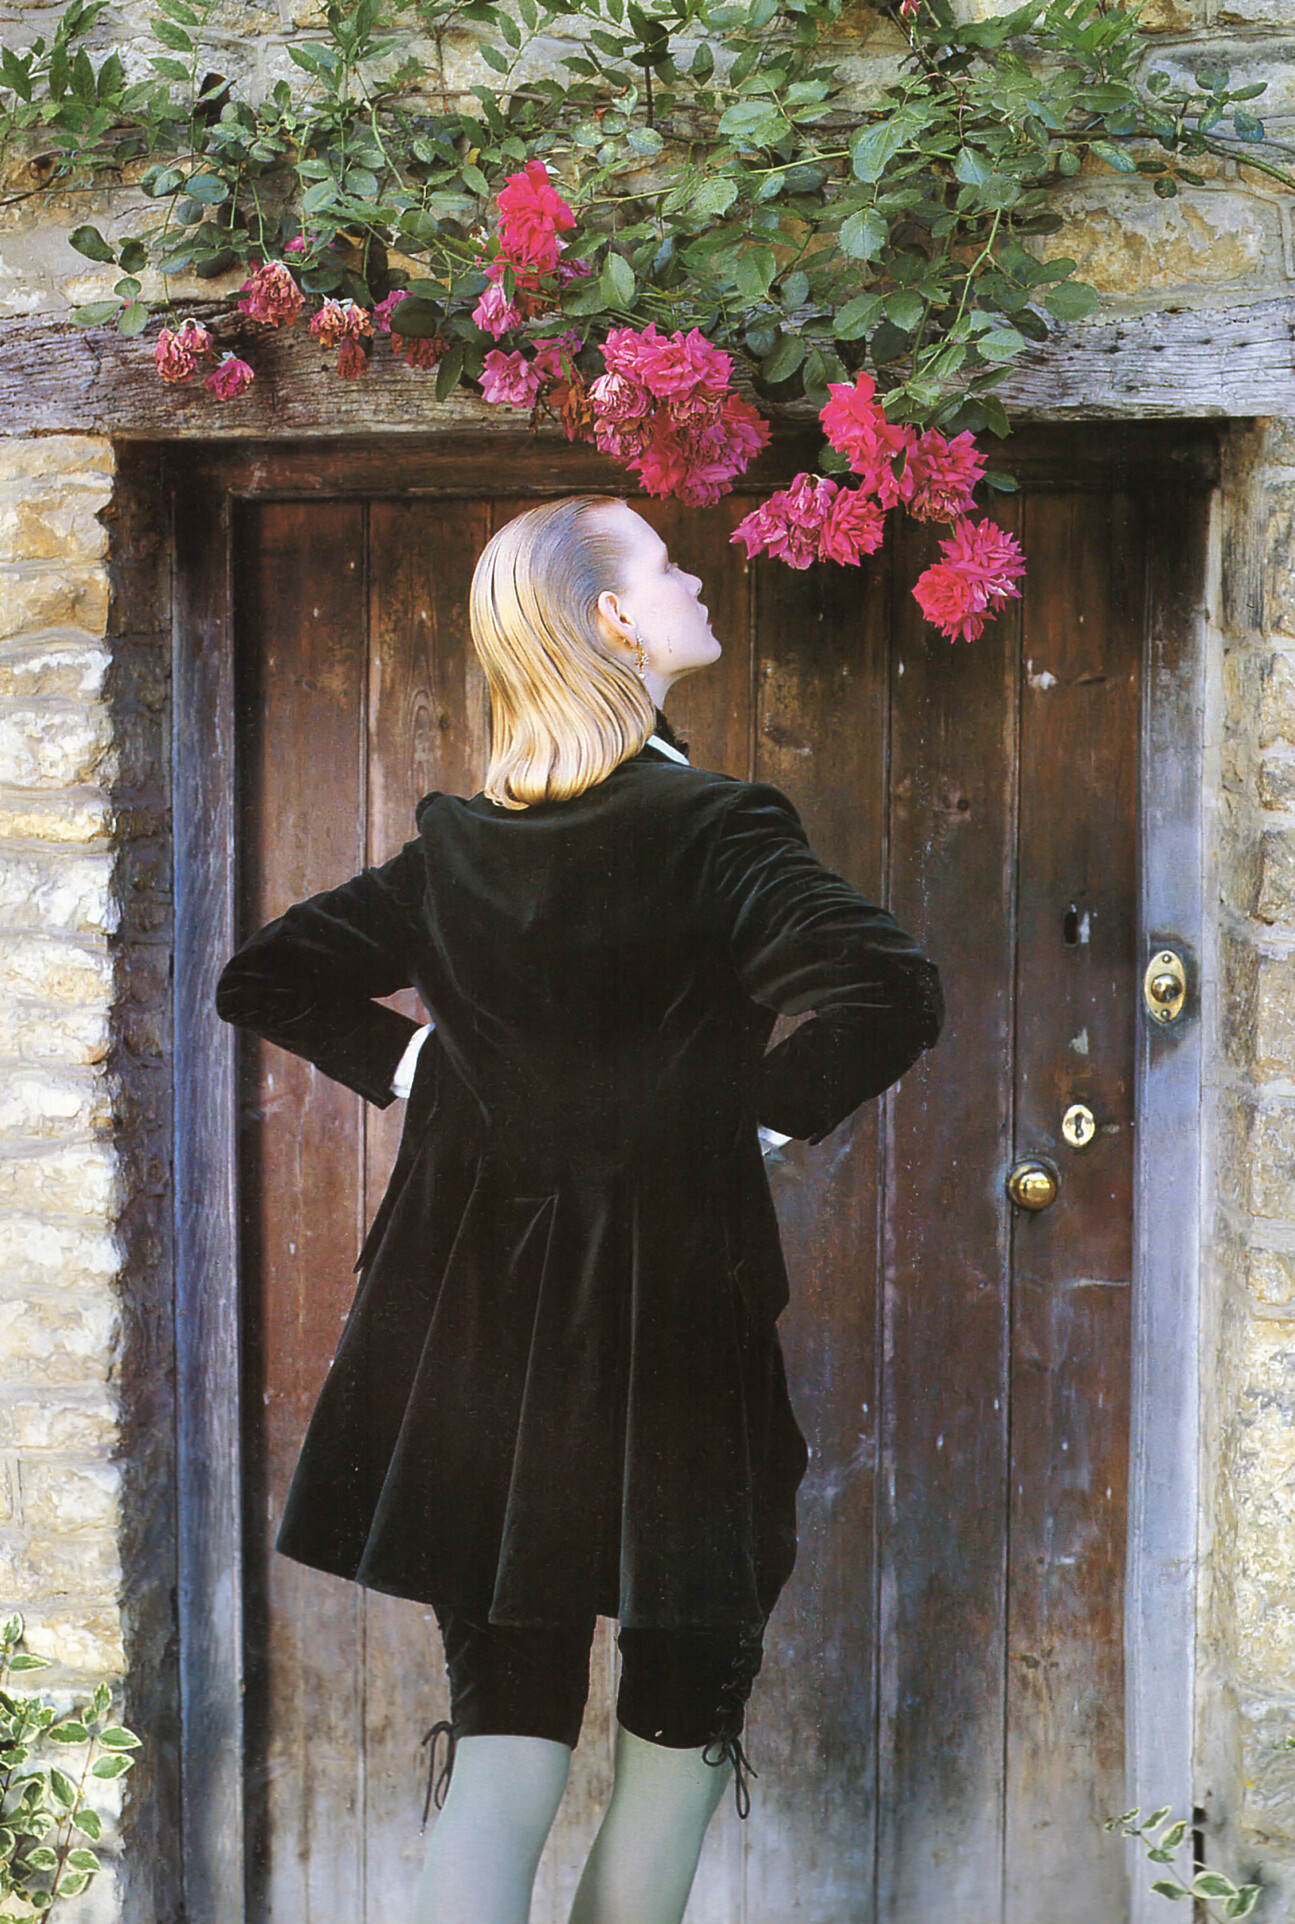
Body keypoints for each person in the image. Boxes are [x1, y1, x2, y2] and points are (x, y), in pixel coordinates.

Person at [215, 493, 944, 1924]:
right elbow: (889, 989)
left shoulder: (460, 847)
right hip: (669, 1338)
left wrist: (427, 1069)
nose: (695, 579)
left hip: (472, 1340)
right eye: (667, 565)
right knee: (679, 1726)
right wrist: (743, 1122)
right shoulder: (715, 825)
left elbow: (266, 975)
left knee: (507, 1735)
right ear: (611, 618)